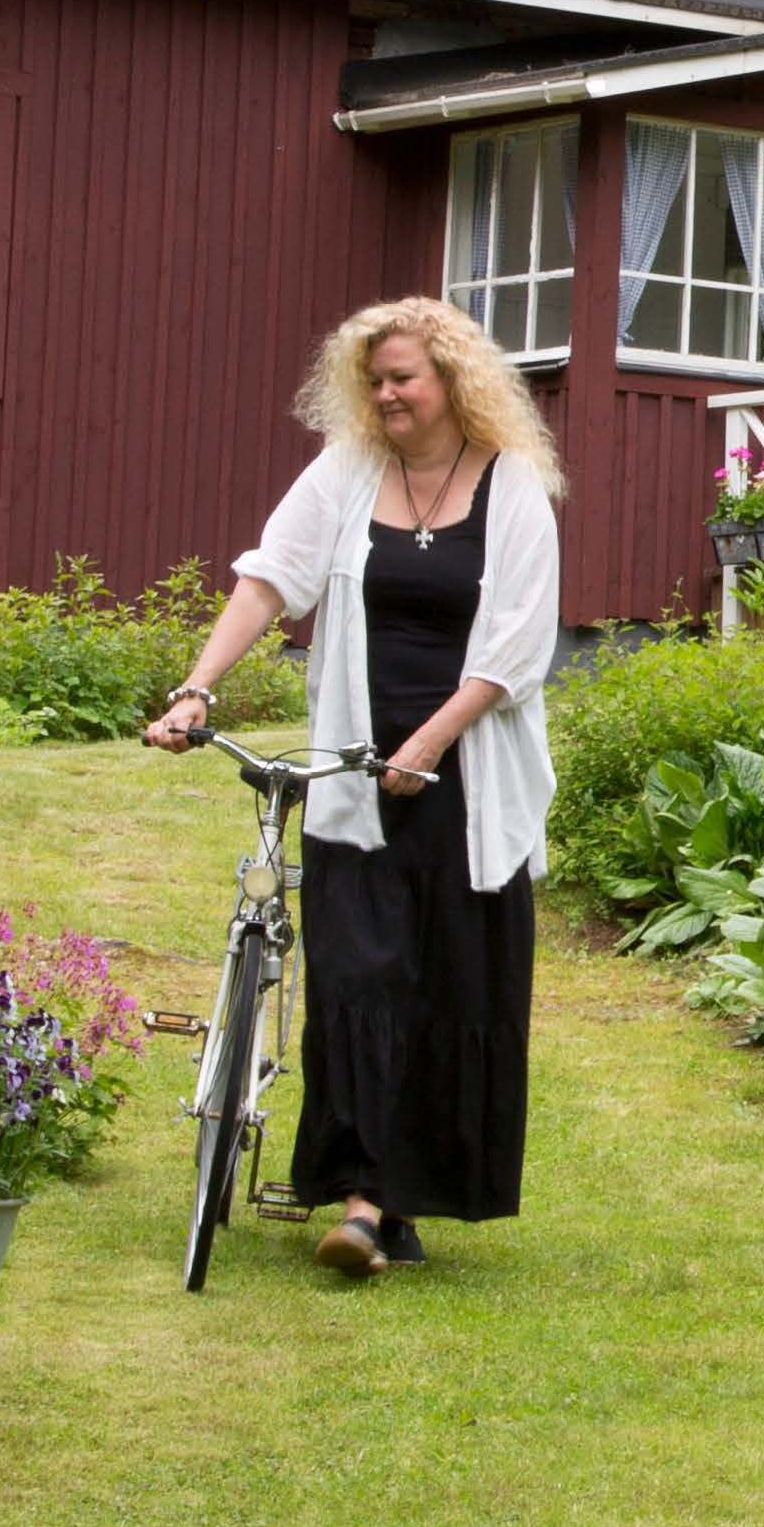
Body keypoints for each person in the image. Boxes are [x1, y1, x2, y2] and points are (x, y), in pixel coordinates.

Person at [144, 298, 562, 1277]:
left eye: (402, 377)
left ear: (452, 380)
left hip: (465, 772)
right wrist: (197, 687)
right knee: (358, 974)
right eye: (372, 379)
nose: (384, 395)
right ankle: (367, 1198)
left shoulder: (513, 491)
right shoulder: (344, 471)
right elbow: (268, 578)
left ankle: (391, 1200)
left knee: (445, 983)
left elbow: (518, 648)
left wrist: (427, 743)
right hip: (351, 766)